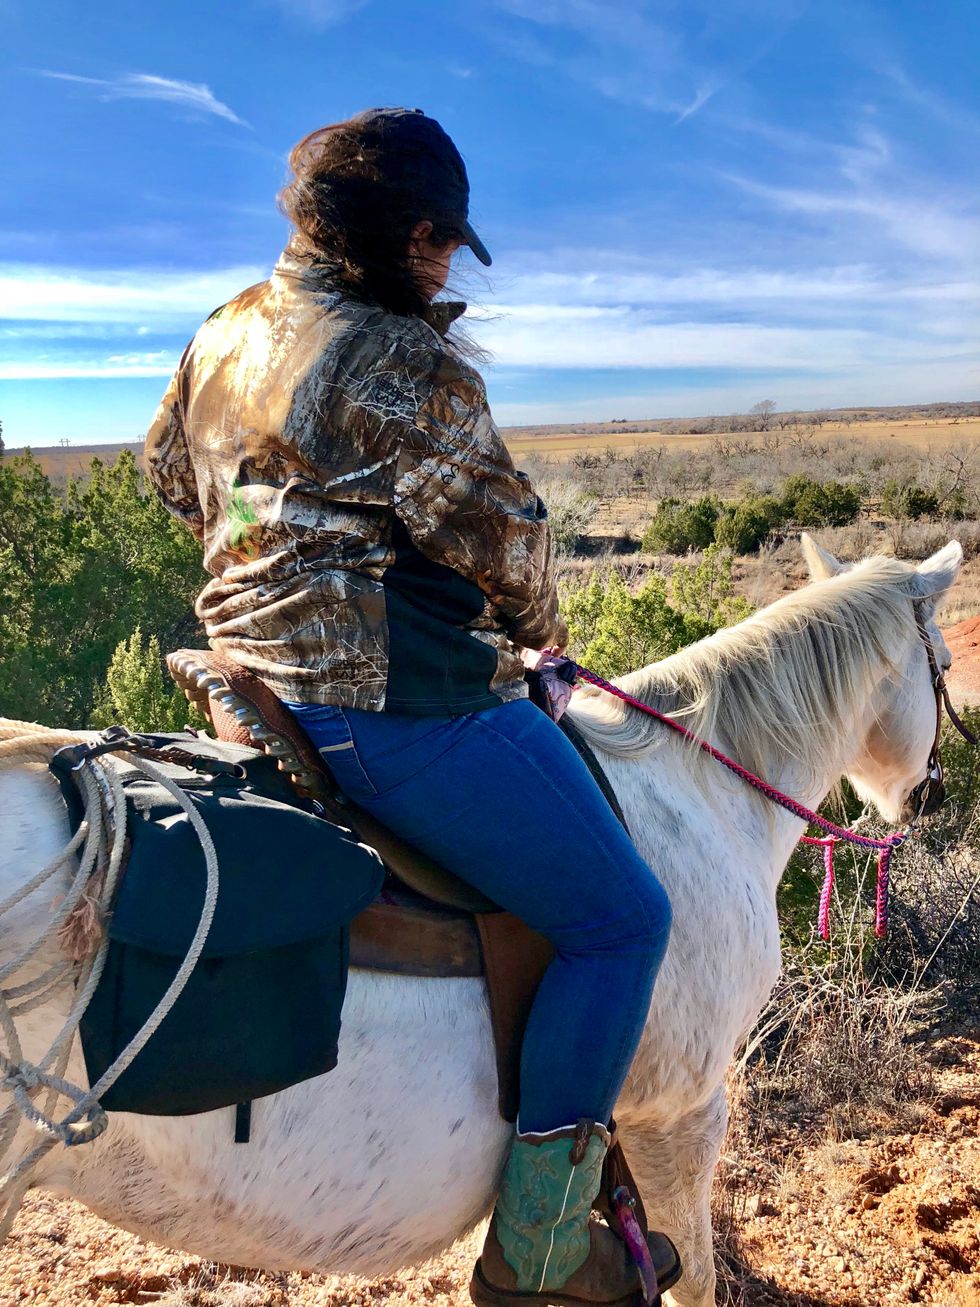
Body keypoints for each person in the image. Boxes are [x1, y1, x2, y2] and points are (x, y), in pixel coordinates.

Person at [146, 108, 677, 1307]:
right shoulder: (403, 361)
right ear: (394, 234)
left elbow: (177, 481)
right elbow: (506, 542)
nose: (443, 264)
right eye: (437, 239)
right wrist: (538, 627)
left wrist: (275, 549)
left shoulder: (222, 331)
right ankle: (542, 1245)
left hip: (248, 676)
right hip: (389, 701)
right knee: (621, 920)